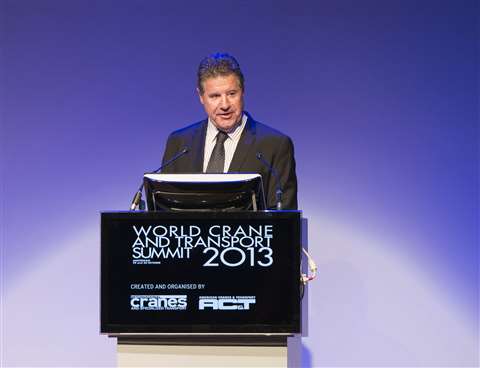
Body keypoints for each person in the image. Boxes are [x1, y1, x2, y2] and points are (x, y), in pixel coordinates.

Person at [161, 53, 298, 210]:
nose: (224, 105)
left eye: (232, 94)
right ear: (201, 96)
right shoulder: (179, 144)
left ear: (243, 91)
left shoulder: (275, 145)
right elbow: (164, 211)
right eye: (215, 96)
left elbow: (283, 217)